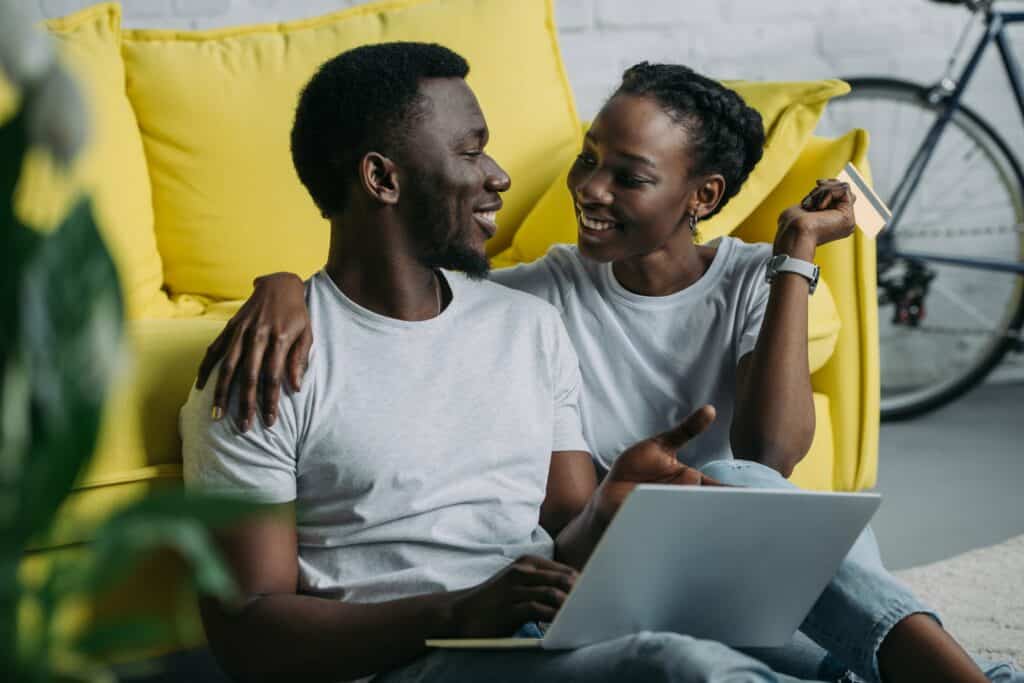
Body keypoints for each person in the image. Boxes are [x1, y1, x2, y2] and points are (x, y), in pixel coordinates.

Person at [197, 54, 1021, 683]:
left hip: (559, 614)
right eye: (473, 152)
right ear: (380, 176)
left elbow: (573, 529)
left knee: (744, 489)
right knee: (677, 665)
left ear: (702, 195)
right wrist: (281, 286)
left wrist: (616, 497)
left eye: (625, 174)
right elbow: (246, 632)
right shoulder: (268, 364)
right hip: (432, 655)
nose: (504, 175)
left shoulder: (525, 322)